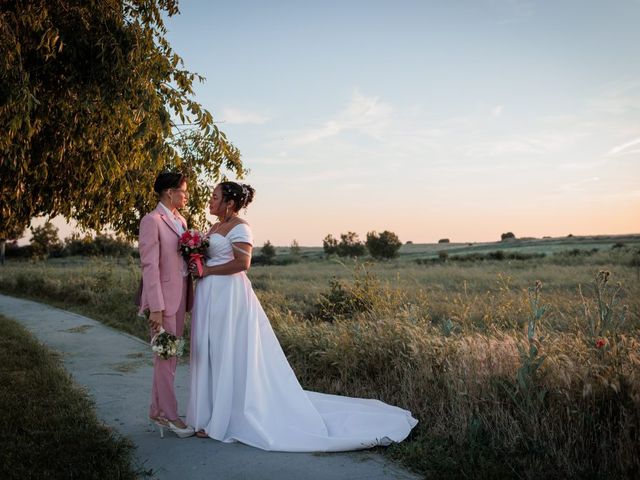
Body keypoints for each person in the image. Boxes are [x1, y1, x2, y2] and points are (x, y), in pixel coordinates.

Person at [187, 181, 417, 451]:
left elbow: (243, 264)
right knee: (211, 352)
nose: (210, 201)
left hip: (229, 296)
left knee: (229, 351)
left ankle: (227, 417)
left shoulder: (240, 227)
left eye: (215, 197)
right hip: (209, 295)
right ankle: (210, 414)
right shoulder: (213, 227)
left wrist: (208, 272)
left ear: (230, 203)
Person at [138, 171, 194, 438]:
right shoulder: (152, 221)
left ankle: (155, 412)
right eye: (183, 191)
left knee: (169, 357)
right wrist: (156, 308)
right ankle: (171, 416)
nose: (186, 195)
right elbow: (150, 267)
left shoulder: (180, 220)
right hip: (163, 303)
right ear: (170, 192)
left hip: (181, 298)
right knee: (166, 358)